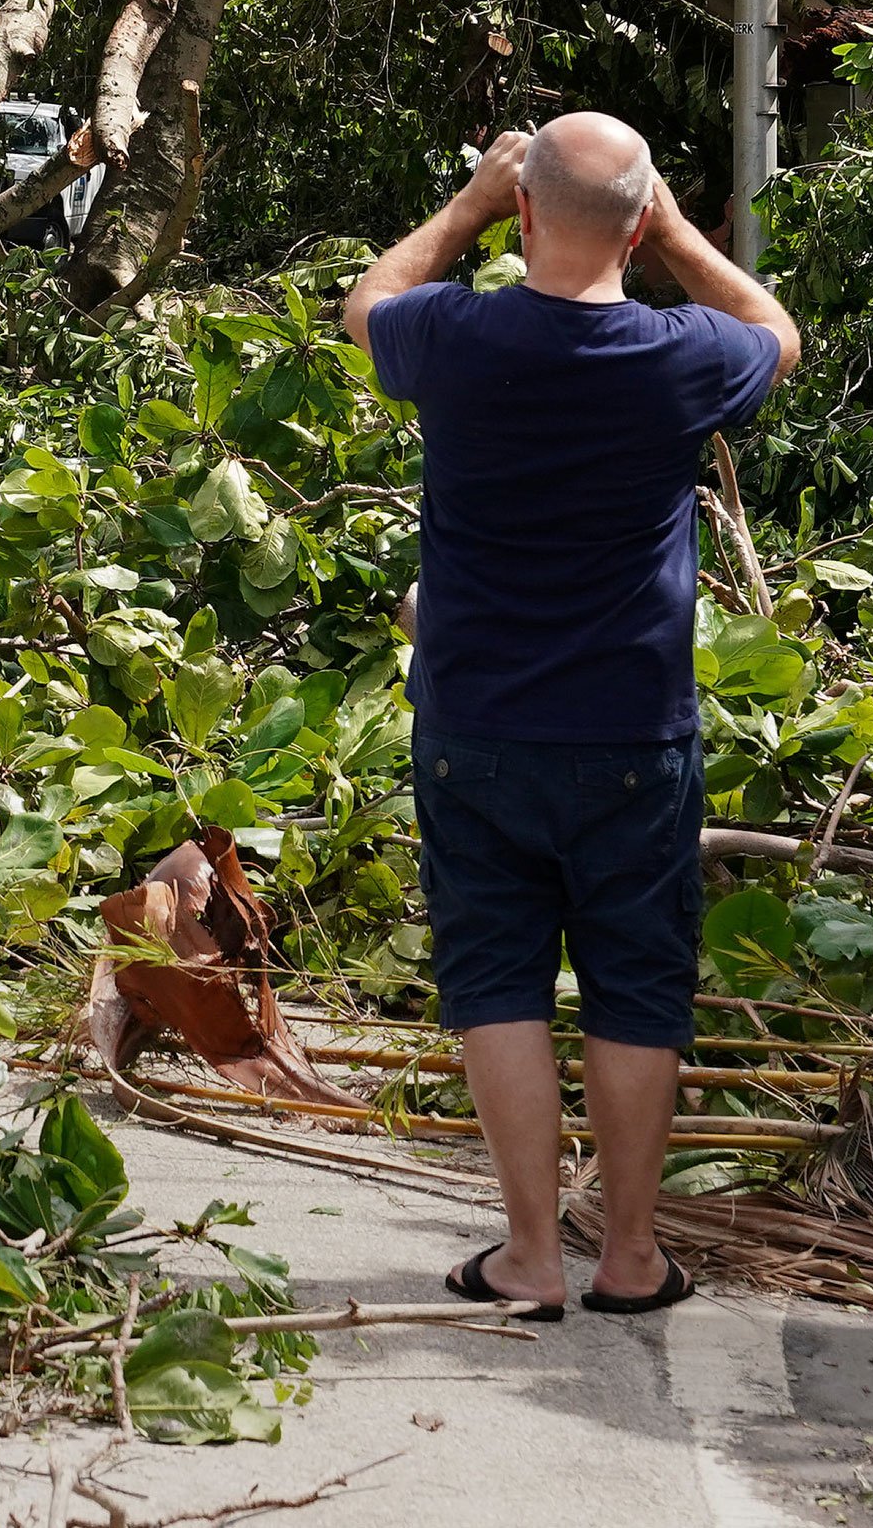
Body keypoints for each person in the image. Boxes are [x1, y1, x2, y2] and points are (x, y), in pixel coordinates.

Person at [342, 114, 800, 1319]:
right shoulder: (682, 354)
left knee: (496, 977)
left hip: (476, 723)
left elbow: (366, 302)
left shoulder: (455, 334)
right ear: (641, 223)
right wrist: (678, 233)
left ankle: (531, 1257)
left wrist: (467, 207)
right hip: (632, 734)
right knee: (636, 984)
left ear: (527, 212)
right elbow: (778, 332)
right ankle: (632, 1255)